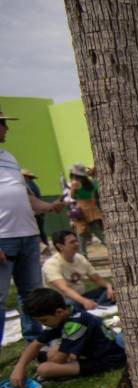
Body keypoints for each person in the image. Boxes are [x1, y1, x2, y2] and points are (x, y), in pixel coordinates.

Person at [1, 107, 65, 346]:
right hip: (3, 239)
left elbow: (25, 197)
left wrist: (48, 207)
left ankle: (34, 342)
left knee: (31, 296)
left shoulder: (9, 157)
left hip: (28, 235)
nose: (7, 128)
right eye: (3, 124)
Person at [8, 287, 125, 388]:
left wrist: (48, 366)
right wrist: (19, 367)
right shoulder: (64, 313)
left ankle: (67, 374)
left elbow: (58, 360)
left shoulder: (76, 324)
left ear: (59, 312)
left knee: (44, 369)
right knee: (52, 351)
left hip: (108, 360)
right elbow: (35, 344)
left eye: (44, 320)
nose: (44, 324)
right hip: (91, 353)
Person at [42, 230, 115, 310]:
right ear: (60, 246)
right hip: (63, 300)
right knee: (72, 304)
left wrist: (109, 287)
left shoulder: (80, 258)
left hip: (81, 296)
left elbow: (97, 279)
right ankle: (96, 305)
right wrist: (84, 301)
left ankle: (93, 305)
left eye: (76, 241)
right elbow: (64, 289)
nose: (76, 244)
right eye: (72, 242)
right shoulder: (51, 264)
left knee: (110, 290)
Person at [67, 164, 104, 251]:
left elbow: (72, 196)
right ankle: (111, 248)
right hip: (93, 210)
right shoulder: (91, 183)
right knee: (99, 233)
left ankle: (83, 255)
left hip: (81, 211)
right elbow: (93, 197)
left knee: (81, 234)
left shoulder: (75, 183)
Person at [21, 169, 47, 248]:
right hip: (39, 212)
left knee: (37, 232)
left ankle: (43, 247)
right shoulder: (33, 185)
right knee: (40, 231)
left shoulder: (28, 186)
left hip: (34, 212)